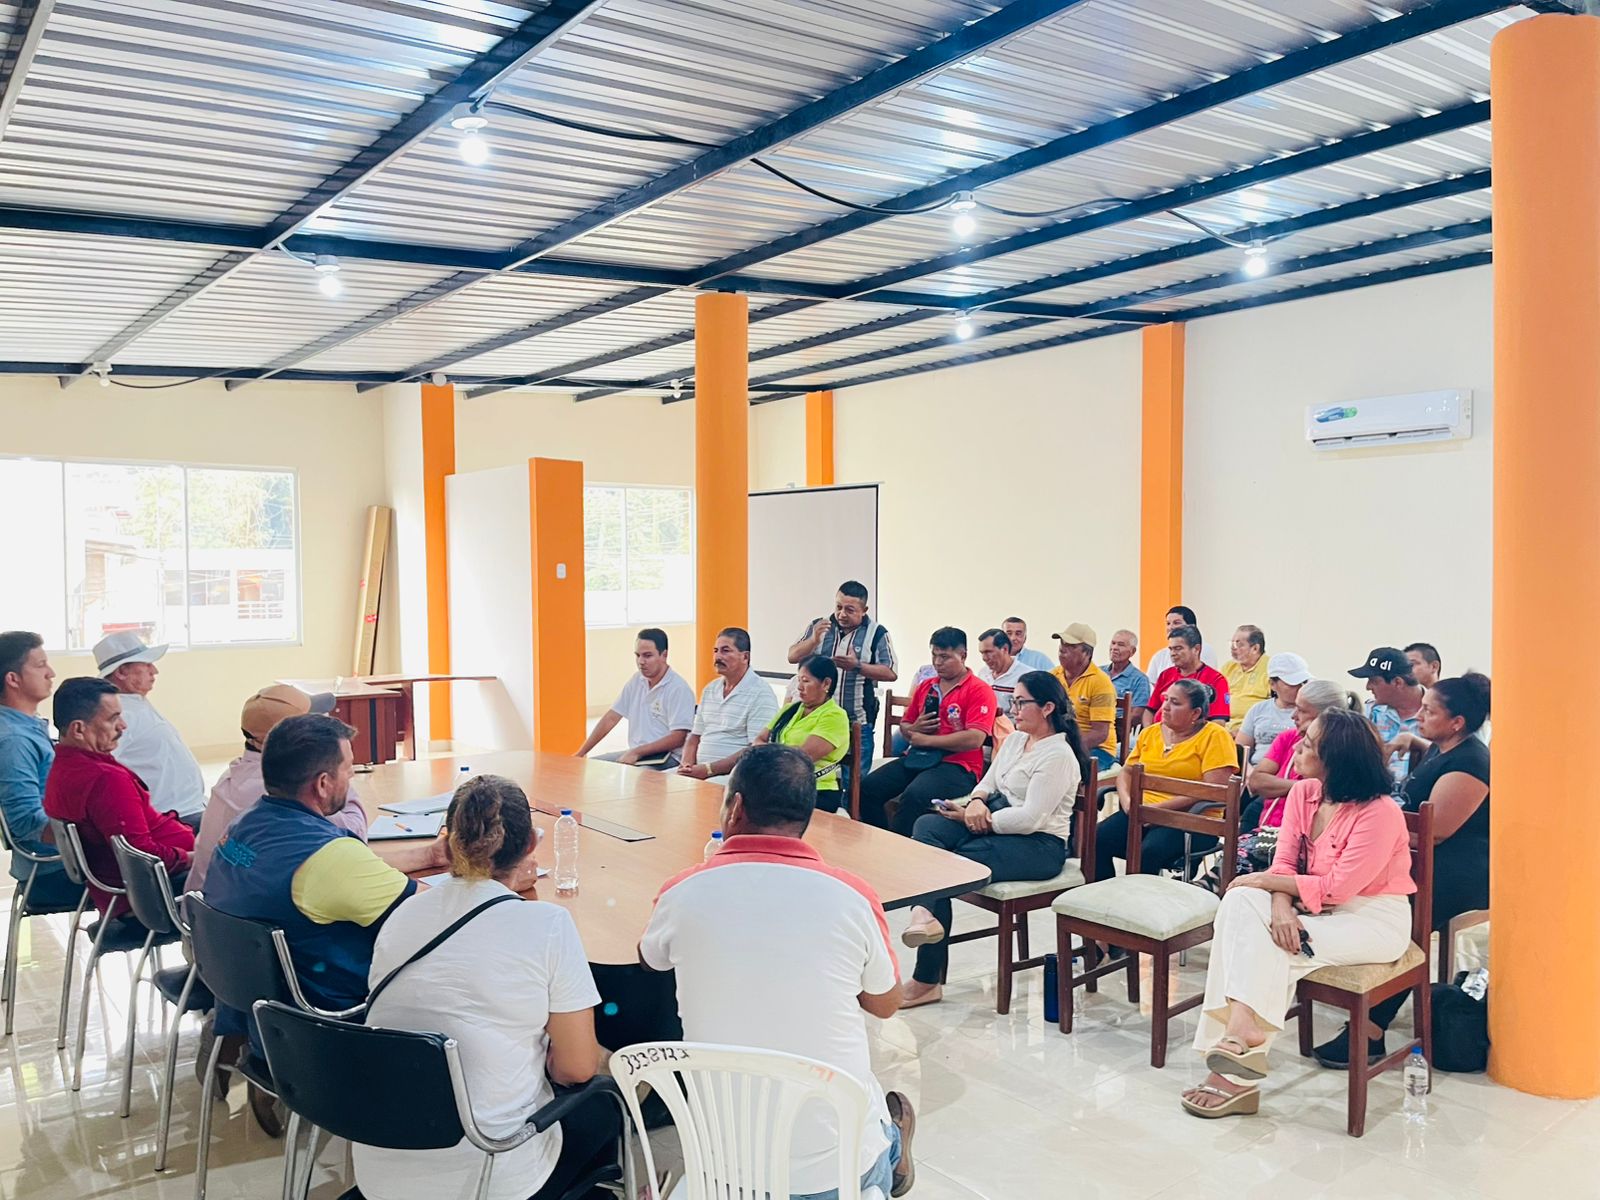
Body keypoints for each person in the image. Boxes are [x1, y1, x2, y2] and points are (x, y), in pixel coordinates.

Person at [640, 745, 916, 1199]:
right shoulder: (852, 896)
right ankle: (893, 1147)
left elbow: (651, 959)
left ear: (735, 808)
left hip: (725, 1174)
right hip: (836, 1177)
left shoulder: (682, 892)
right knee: (869, 1108)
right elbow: (886, 1004)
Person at [355, 775, 617, 1200]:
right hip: (492, 1172)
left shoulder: (403, 914)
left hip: (379, 1168)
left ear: (448, 844)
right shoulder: (548, 925)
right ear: (530, 844)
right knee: (601, 1106)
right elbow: (576, 1069)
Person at [1180, 708, 1415, 1119]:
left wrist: (1272, 886)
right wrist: (1279, 904)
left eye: (1307, 745)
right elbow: (1285, 863)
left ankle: (1232, 1071)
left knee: (1272, 945)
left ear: (1335, 759)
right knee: (1240, 900)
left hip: (1371, 918)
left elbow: (1338, 888)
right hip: (1309, 905)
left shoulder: (1380, 812)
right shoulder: (1304, 793)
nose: (1297, 748)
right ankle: (1239, 1035)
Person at [203, 714, 449, 1049]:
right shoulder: (328, 859)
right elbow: (438, 913)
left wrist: (430, 856)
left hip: (261, 1014)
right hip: (331, 1027)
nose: (351, 777)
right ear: (322, 783)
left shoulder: (245, 825)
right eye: (348, 770)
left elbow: (351, 869)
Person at [1312, 673, 1491, 1070]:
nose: (1419, 715)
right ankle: (1347, 985)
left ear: (1457, 722)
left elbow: (1436, 832)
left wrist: (1379, 833)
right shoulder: (1442, 748)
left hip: (1459, 870)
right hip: (1420, 857)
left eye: (1429, 711)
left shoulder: (1472, 764)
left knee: (1398, 918)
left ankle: (1372, 1028)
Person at [899, 672, 1089, 1009]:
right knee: (927, 826)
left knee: (944, 865)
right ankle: (923, 916)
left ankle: (926, 978)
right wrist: (976, 801)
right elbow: (989, 781)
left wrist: (977, 820)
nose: (1013, 709)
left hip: (1038, 846)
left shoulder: (1058, 755)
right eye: (1013, 701)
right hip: (995, 820)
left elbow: (1031, 819)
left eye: (1021, 702)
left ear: (1047, 707)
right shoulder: (1016, 740)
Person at [188, 684, 368, 892]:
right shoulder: (285, 789)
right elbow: (355, 833)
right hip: (237, 909)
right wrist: (337, 769)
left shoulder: (235, 775)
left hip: (209, 904)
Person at [42, 676, 193, 918]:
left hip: (126, 889)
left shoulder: (64, 766)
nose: (123, 726)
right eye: (113, 718)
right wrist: (197, 858)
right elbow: (142, 855)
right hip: (149, 896)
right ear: (79, 729)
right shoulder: (104, 779)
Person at [1095, 679, 1237, 884]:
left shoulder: (1215, 736)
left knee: (1149, 851)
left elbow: (1214, 790)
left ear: (1195, 713)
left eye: (1175, 703)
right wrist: (1128, 803)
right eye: (1166, 700)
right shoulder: (1151, 733)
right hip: (1141, 812)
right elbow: (1126, 772)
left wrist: (1159, 810)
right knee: (1098, 838)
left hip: (1192, 820)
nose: (1166, 707)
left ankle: (1144, 902)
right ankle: (1104, 895)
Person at [858, 628, 996, 837]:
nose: (937, 662)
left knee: (915, 795)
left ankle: (900, 848)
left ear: (963, 655)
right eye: (934, 655)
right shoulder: (926, 686)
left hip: (959, 766)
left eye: (944, 657)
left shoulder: (979, 690)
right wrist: (914, 729)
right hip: (919, 757)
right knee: (868, 787)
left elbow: (975, 738)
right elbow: (906, 725)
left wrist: (926, 740)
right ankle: (880, 839)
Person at [786, 581, 899, 797]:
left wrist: (857, 666)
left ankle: (849, 815)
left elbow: (891, 672)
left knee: (854, 788)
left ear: (864, 610)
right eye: (838, 607)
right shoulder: (820, 626)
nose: (842, 614)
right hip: (816, 721)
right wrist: (813, 640)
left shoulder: (877, 633)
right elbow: (792, 656)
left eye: (850, 609)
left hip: (856, 721)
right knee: (806, 778)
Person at [0, 632, 83, 909]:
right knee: (158, 877)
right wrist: (94, 835)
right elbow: (27, 822)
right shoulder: (14, 740)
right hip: (54, 872)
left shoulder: (26, 726)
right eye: (40, 665)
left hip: (63, 861)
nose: (51, 673)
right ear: (13, 679)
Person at [93, 632, 205, 824]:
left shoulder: (134, 703)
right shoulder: (120, 713)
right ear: (121, 672)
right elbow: (104, 769)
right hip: (174, 815)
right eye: (146, 665)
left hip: (187, 808)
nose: (154, 671)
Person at [574, 628, 695, 768]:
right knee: (590, 767)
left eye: (647, 656)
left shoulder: (678, 689)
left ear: (664, 655)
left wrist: (637, 752)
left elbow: (678, 737)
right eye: (637, 655)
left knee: (635, 777)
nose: (641, 661)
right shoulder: (637, 680)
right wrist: (581, 753)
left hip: (668, 758)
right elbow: (611, 718)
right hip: (638, 754)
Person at [748, 656, 852, 810]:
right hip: (779, 784)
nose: (799, 687)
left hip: (814, 790)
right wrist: (775, 751)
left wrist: (767, 750)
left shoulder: (835, 716)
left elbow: (801, 757)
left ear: (826, 683)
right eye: (798, 680)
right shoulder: (791, 709)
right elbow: (758, 740)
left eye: (806, 681)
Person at [676, 627, 779, 781]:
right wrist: (686, 766)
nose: (718, 656)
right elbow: (694, 737)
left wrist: (709, 770)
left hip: (737, 775)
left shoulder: (761, 693)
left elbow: (756, 749)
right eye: (715, 651)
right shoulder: (710, 689)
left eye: (725, 651)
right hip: (700, 770)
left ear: (745, 657)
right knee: (659, 782)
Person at [1349, 646, 1423, 785]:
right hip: (1375, 793)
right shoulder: (1368, 713)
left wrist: (1418, 744)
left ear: (1397, 682)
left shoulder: (1440, 711)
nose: (1368, 687)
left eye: (1374, 681)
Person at [1049, 624, 1117, 771]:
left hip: (1097, 750)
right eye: (1062, 643)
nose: (1062, 649)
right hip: (1060, 745)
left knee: (1060, 769)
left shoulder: (1100, 682)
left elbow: (1099, 734)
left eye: (1071, 646)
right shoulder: (1053, 676)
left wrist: (1064, 747)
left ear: (1087, 653)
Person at [1145, 625, 1230, 728]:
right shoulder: (1165, 675)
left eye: (1178, 649)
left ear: (1196, 649)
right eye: (1171, 649)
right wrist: (1149, 731)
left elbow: (1218, 722)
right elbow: (1150, 710)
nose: (1173, 654)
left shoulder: (1216, 679)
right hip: (1158, 733)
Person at [1236, 653, 1310, 768]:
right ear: (1272, 684)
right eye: (1292, 684)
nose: (1299, 688)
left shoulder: (1310, 712)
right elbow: (1240, 751)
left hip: (1292, 771)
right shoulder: (1258, 710)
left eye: (1304, 682)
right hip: (1255, 770)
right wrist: (1250, 773)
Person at [1143, 606, 1219, 679]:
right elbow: (1151, 683)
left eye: (1176, 623)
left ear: (1191, 626)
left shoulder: (1204, 649)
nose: (1170, 627)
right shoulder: (1159, 656)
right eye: (1168, 623)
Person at [1220, 626, 1271, 735]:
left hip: (1250, 730)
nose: (1233, 648)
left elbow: (1274, 710)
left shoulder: (1270, 669)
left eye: (1239, 644)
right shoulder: (1229, 667)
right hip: (1223, 727)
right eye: (1232, 643)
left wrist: (1243, 732)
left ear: (1255, 648)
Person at [975, 627, 1028, 721]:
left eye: (988, 652)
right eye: (982, 653)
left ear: (1005, 649)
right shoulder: (982, 673)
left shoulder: (1025, 676)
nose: (984, 658)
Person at [1103, 629, 1152, 712]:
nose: (1114, 648)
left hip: (1118, 720)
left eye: (1121, 645)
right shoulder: (1098, 672)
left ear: (1132, 651)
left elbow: (1137, 714)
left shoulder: (1140, 679)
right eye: (1113, 643)